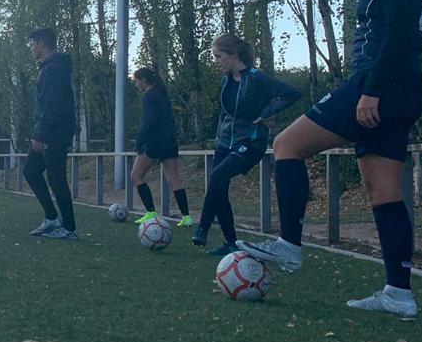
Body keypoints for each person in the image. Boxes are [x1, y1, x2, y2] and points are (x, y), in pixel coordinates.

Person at [240, 0, 422, 316]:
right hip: (401, 90)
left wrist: (371, 90)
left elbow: (400, 36)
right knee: (383, 191)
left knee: (287, 145)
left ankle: (288, 245)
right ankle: (399, 293)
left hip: (378, 85)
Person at [191, 34, 302, 257]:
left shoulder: (257, 78)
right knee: (218, 187)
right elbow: (225, 112)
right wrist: (218, 136)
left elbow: (292, 93)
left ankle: (202, 227)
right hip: (225, 142)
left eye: (218, 56)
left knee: (216, 177)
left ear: (234, 55)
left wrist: (266, 114)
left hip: (249, 142)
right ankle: (230, 242)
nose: (216, 61)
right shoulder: (226, 81)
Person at [24, 27, 78, 240]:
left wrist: (40, 135)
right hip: (50, 131)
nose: (31, 49)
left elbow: (51, 105)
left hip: (53, 133)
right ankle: (51, 218)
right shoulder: (50, 68)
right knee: (30, 170)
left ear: (41, 44)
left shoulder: (53, 69)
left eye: (32, 44)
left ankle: (69, 228)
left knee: (56, 179)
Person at [129, 67, 192, 228]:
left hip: (154, 142)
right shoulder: (162, 94)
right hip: (169, 141)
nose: (136, 84)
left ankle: (151, 212)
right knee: (174, 179)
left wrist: (139, 142)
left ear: (143, 80)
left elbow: (149, 122)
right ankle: (186, 217)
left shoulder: (149, 96)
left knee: (136, 176)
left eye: (136, 81)